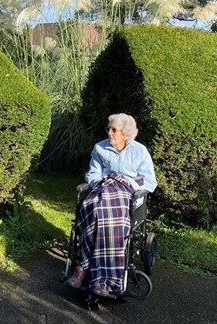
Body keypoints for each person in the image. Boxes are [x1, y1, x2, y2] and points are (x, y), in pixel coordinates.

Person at [66, 113, 157, 296]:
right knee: (91, 207)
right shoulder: (100, 148)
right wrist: (103, 183)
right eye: (109, 128)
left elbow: (149, 181)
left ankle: (86, 271)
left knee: (104, 216)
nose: (110, 132)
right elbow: (93, 174)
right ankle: (94, 275)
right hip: (102, 191)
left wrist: (125, 181)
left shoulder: (139, 151)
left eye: (114, 130)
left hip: (125, 194)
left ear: (126, 134)